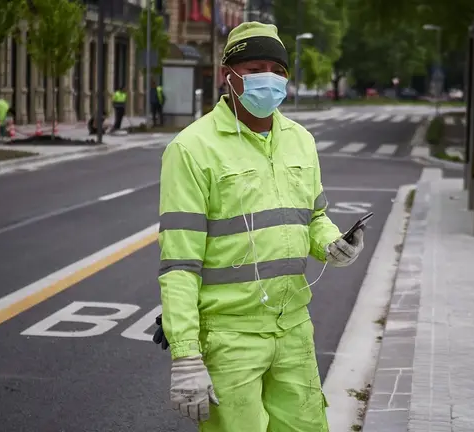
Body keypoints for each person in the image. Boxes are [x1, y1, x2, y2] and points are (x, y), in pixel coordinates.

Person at [156, 21, 365, 431]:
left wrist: (332, 245)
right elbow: (179, 263)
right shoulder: (191, 149)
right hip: (228, 337)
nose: (267, 78)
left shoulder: (301, 140)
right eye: (253, 69)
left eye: (276, 69)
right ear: (227, 74)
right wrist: (185, 356)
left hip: (293, 329)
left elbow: (315, 217)